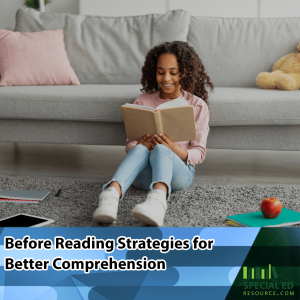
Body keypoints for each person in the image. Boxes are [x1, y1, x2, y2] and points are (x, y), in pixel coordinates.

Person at [93, 41, 214, 226]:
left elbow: (199, 153)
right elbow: (130, 145)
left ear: (185, 72)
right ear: (153, 71)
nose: (166, 78)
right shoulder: (142, 101)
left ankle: (157, 202)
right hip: (142, 175)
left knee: (162, 150)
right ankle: (111, 195)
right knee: (142, 149)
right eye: (160, 72)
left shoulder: (197, 105)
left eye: (173, 72)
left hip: (179, 174)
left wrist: (174, 148)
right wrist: (140, 145)